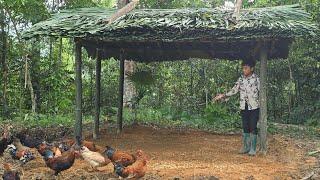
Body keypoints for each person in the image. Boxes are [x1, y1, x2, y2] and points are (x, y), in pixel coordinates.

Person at [214, 60, 260, 156]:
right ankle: (245, 147)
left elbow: (261, 91)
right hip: (244, 106)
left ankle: (253, 148)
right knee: (245, 127)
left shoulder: (256, 79)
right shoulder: (241, 79)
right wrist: (223, 95)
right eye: (243, 68)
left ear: (252, 69)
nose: (244, 70)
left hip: (254, 106)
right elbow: (234, 90)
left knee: (253, 126)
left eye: (246, 68)